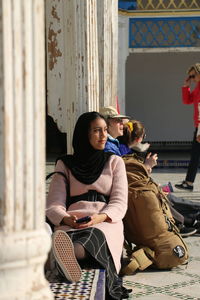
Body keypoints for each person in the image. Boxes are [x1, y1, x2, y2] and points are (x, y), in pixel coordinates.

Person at [46, 111, 131, 300]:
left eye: (104, 131)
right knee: (68, 235)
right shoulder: (65, 164)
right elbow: (53, 203)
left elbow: (119, 202)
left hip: (104, 221)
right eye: (96, 131)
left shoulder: (114, 162)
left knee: (95, 234)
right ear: (84, 134)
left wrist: (98, 218)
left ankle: (68, 257)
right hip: (72, 221)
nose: (103, 136)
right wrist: (66, 218)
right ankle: (68, 255)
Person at [119, 120, 200, 237]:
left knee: (168, 197)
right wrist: (147, 166)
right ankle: (187, 222)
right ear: (138, 139)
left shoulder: (123, 149)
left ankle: (191, 220)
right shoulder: (124, 153)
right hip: (135, 194)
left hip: (136, 191)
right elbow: (133, 179)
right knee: (162, 197)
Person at [175, 63, 200, 191]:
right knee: (195, 155)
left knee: (195, 155)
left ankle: (189, 182)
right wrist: (186, 87)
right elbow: (187, 101)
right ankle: (188, 182)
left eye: (192, 75)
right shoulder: (197, 87)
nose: (191, 77)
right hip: (198, 126)